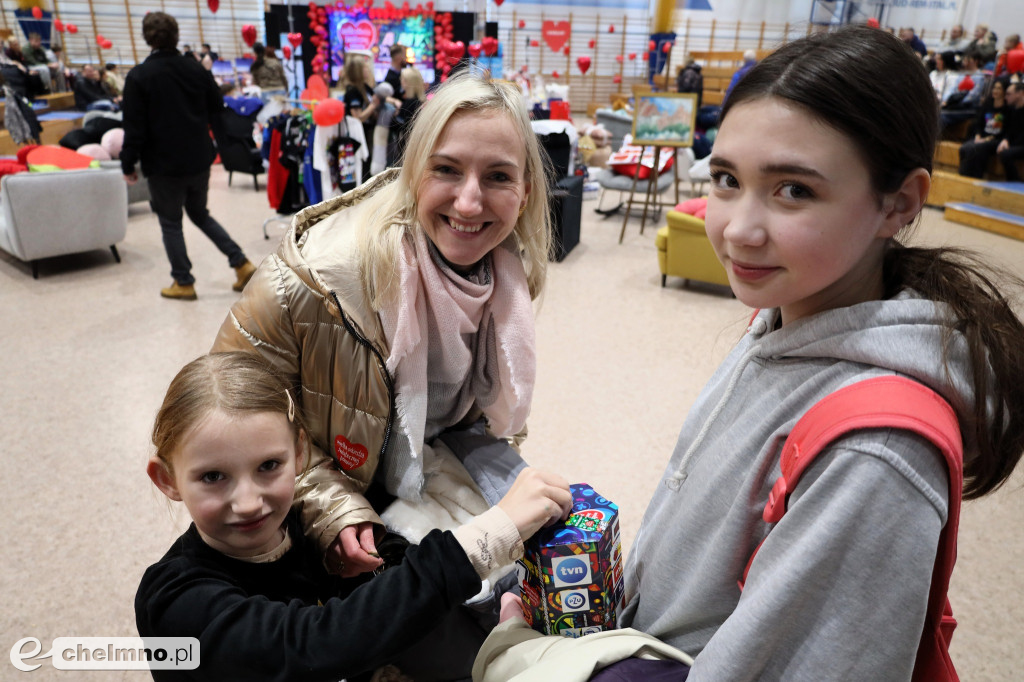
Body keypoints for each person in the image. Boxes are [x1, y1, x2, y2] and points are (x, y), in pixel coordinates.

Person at [474, 25, 1024, 680]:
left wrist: (531, 662)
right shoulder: (787, 315)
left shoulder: (873, 453)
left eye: (794, 189)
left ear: (898, 203)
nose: (737, 228)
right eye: (728, 179)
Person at [211, 72, 553, 679]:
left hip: (412, 481)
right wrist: (334, 507)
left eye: (497, 176)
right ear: (411, 172)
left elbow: (464, 419)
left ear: (524, 192)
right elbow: (226, 423)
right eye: (446, 170)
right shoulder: (318, 278)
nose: (470, 202)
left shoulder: (505, 274)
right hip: (314, 508)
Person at [138, 351, 572, 681]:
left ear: (299, 453)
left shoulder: (302, 530)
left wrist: (382, 556)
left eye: (269, 466)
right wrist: (486, 537)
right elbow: (317, 644)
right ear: (167, 480)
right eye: (213, 477)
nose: (249, 502)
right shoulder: (175, 602)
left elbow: (387, 591)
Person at [120, 12, 256, 300]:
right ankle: (242, 263)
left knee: (170, 222)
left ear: (147, 39)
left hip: (162, 164)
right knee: (200, 214)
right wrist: (221, 147)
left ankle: (183, 282)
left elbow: (134, 127)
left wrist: (127, 162)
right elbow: (217, 111)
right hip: (198, 158)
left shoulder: (138, 77)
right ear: (176, 35)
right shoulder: (197, 70)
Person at [959, 81, 1024, 180]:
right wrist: (978, 135)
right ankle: (963, 177)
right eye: (994, 88)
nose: (995, 91)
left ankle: (975, 178)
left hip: (997, 139)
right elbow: (978, 124)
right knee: (965, 148)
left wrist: (1005, 139)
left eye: (999, 88)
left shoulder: (1009, 109)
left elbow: (1008, 130)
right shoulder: (988, 105)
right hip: (988, 138)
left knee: (979, 148)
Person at [343, 54, 378, 182]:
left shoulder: (365, 87)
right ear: (357, 71)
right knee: (364, 167)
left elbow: (377, 95)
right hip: (359, 136)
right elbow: (358, 117)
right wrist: (374, 105)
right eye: (364, 67)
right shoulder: (352, 91)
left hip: (368, 133)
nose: (367, 69)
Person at [388, 65, 425, 165]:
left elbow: (399, 125)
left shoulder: (410, 103)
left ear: (409, 83)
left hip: (409, 148)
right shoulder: (418, 101)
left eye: (403, 80)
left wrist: (394, 116)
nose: (401, 82)